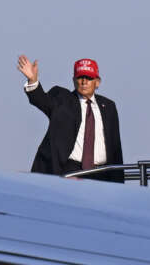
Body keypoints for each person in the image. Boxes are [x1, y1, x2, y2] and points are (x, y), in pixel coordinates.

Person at [17, 55, 124, 183]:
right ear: (74, 80)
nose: (84, 81)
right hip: (71, 172)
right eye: (80, 77)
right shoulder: (62, 99)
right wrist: (33, 80)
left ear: (97, 82)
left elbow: (115, 146)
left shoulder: (108, 106)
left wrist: (119, 181)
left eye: (89, 78)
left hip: (102, 173)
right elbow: (42, 100)